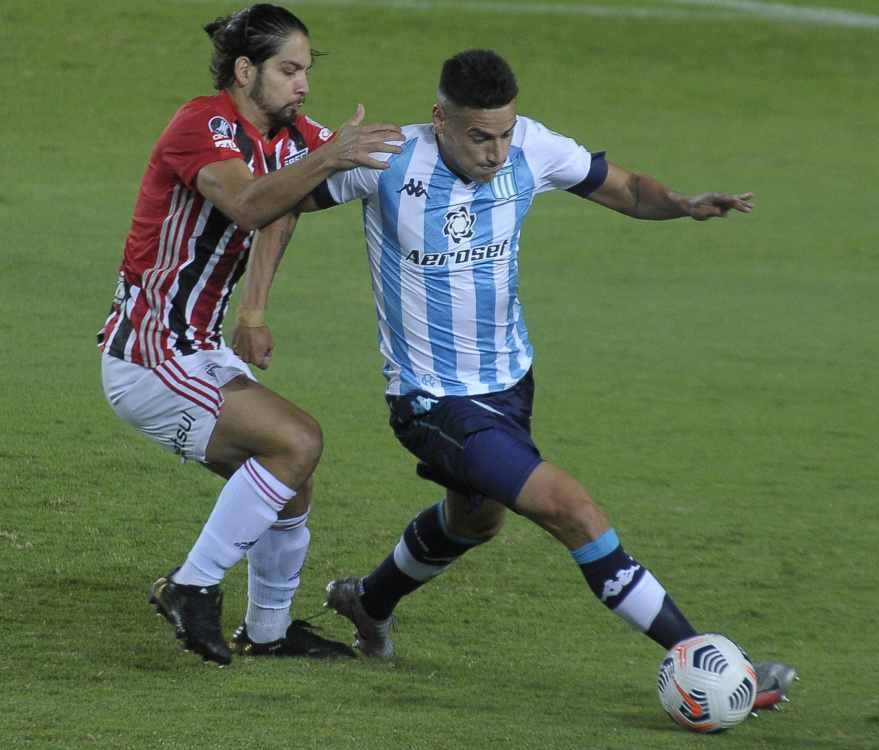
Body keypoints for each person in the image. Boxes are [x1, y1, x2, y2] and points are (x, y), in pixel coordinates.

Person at [237, 48, 796, 706]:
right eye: (479, 136)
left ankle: (368, 600)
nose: (496, 152)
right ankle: (712, 667)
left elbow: (626, 188)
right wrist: (253, 309)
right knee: (574, 511)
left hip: (510, 385)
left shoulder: (533, 147)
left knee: (476, 521)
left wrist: (685, 203)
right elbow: (280, 206)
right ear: (439, 119)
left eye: (504, 133)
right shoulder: (389, 160)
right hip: (431, 403)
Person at [97, 3, 403, 665]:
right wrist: (329, 158)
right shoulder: (202, 123)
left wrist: (448, 154)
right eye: (289, 70)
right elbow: (249, 201)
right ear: (245, 70)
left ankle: (268, 633)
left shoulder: (288, 137)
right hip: (150, 349)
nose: (304, 85)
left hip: (195, 345)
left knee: (290, 476)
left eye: (306, 70)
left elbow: (304, 192)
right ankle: (191, 588)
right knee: (296, 440)